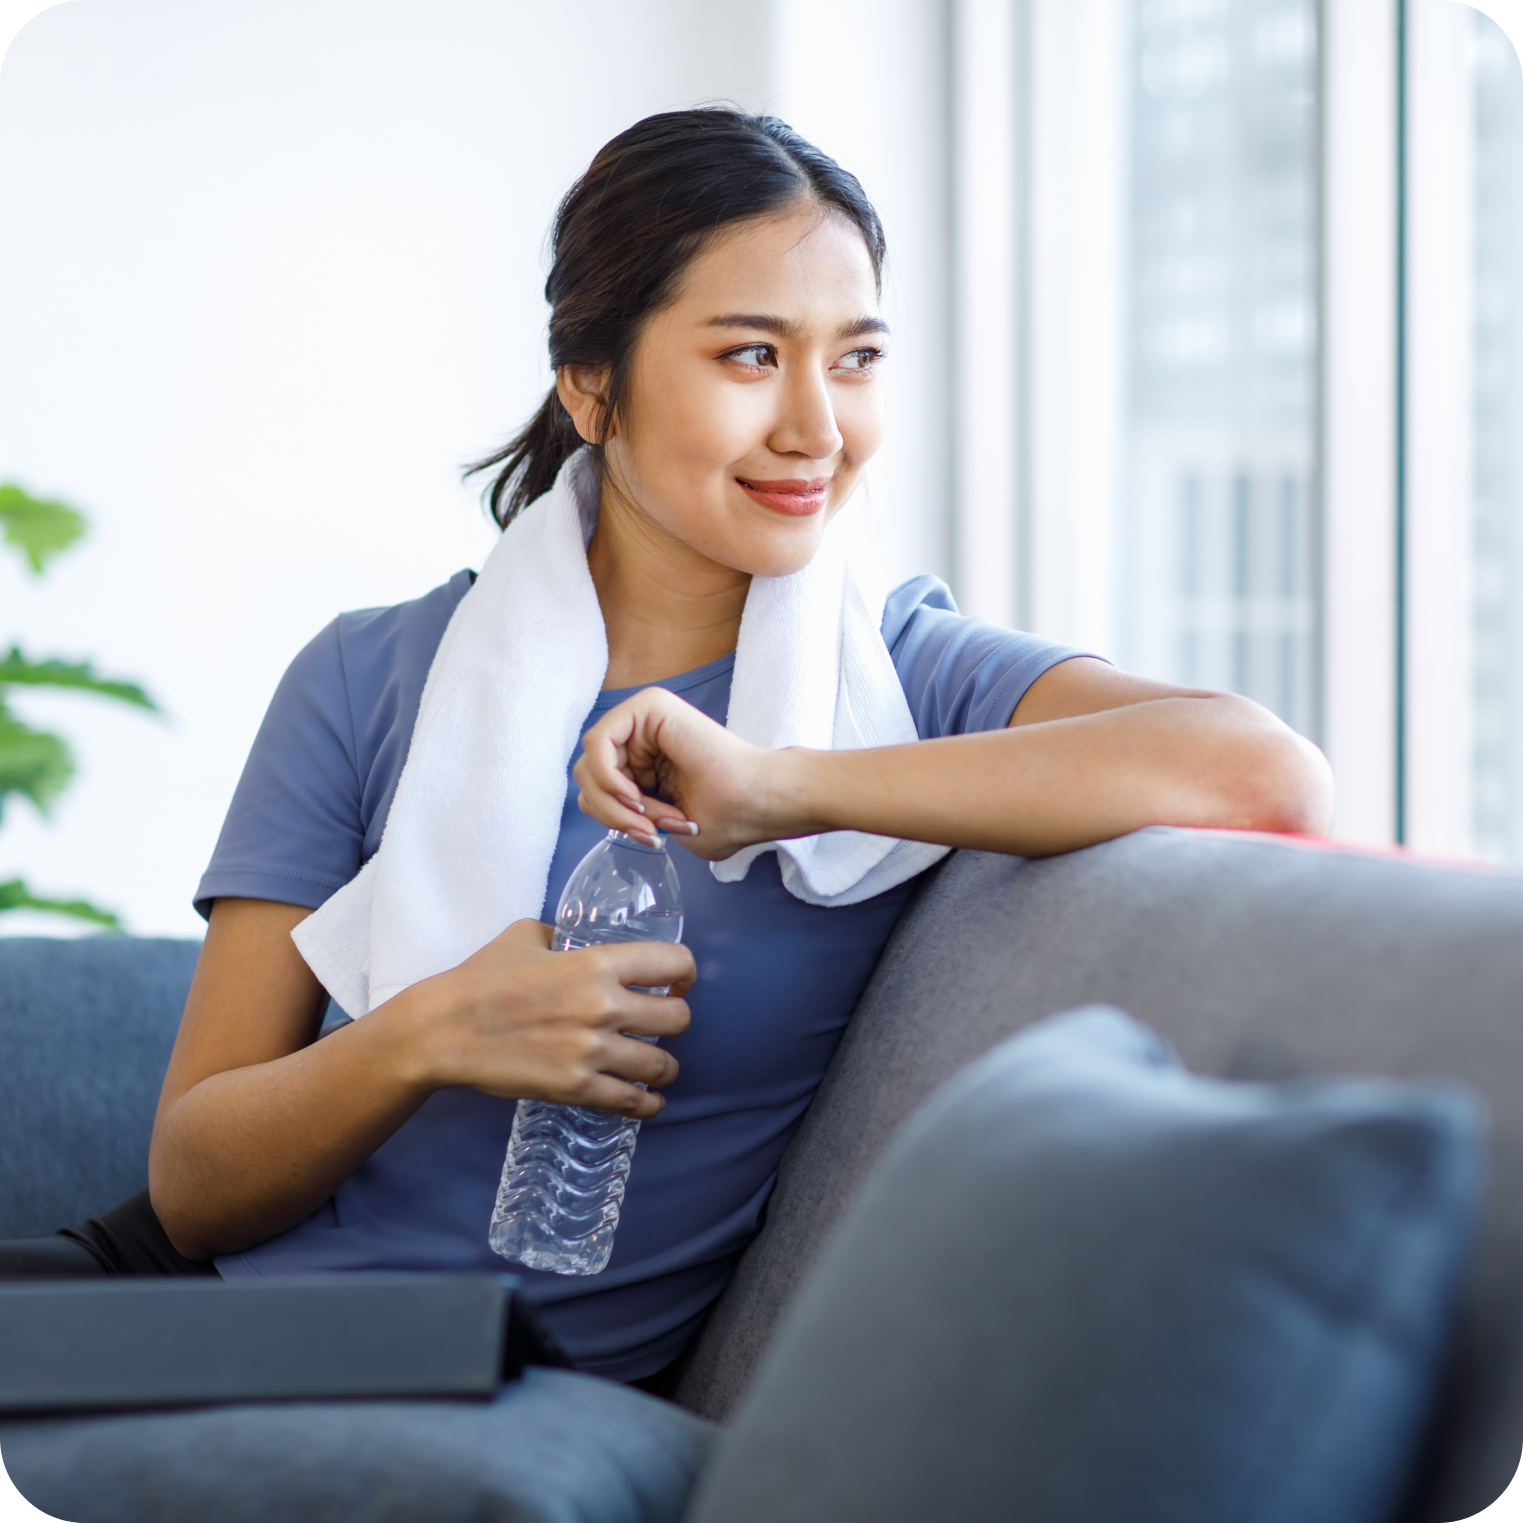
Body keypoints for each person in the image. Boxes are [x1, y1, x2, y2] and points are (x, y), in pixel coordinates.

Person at [0, 110, 1333, 1392]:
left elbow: (1260, 769)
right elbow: (192, 1181)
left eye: (855, 356)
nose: (818, 425)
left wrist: (776, 785)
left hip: (451, 1360)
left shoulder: (897, 679)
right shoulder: (366, 673)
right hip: (188, 1307)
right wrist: (429, 1030)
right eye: (750, 355)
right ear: (593, 383)